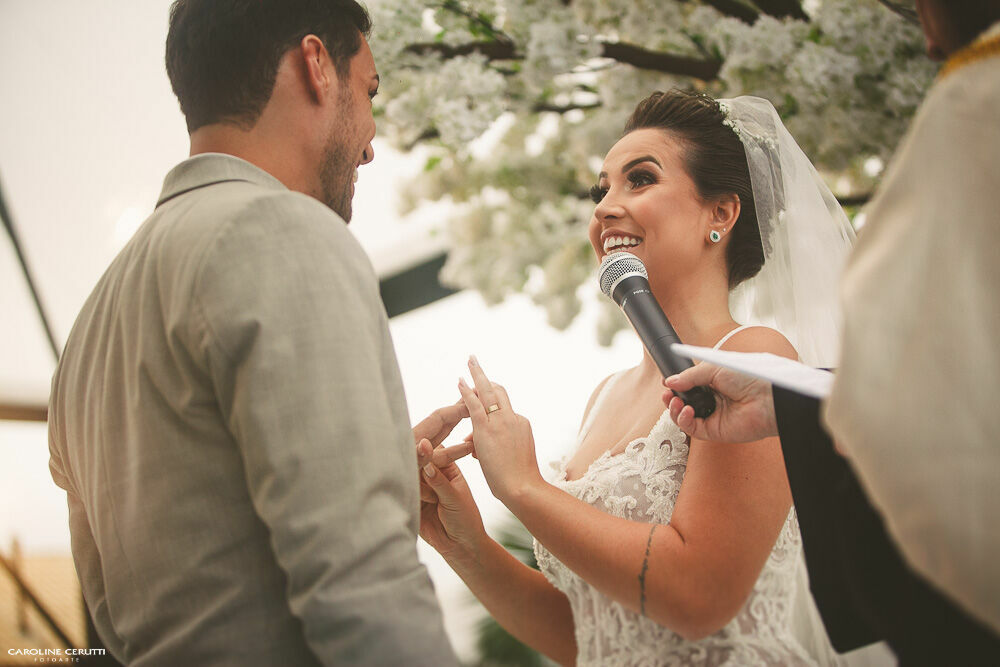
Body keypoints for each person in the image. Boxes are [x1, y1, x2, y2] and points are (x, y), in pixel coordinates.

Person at [46, 1, 463, 665]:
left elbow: (112, 617)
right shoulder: (285, 231)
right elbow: (365, 590)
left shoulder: (88, 334)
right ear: (317, 65)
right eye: (370, 90)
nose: (372, 139)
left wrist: (369, 461)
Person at [417, 89, 859, 666]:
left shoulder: (754, 357)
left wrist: (524, 486)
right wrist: (464, 542)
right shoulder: (605, 397)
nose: (603, 207)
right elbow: (596, 639)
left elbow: (698, 596)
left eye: (640, 179)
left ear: (719, 214)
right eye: (602, 189)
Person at [663, 0, 1000, 661]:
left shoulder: (978, 105)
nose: (927, 42)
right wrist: (796, 404)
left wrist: (524, 487)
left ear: (722, 214)